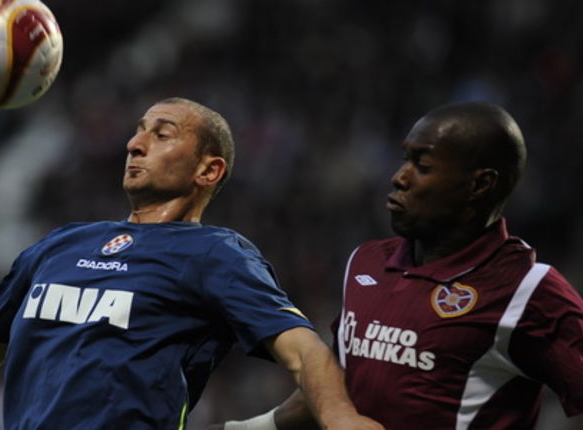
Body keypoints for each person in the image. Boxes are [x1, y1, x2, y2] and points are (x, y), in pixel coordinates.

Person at [0, 97, 382, 430]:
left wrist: (340, 418)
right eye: (138, 131)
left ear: (209, 169)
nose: (135, 143)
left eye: (162, 133)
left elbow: (302, 349)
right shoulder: (60, 245)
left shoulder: (216, 253)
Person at [218, 101, 583, 429]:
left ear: (480, 185)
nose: (399, 176)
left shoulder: (527, 290)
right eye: (405, 158)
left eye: (422, 165)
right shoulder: (366, 263)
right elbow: (336, 396)